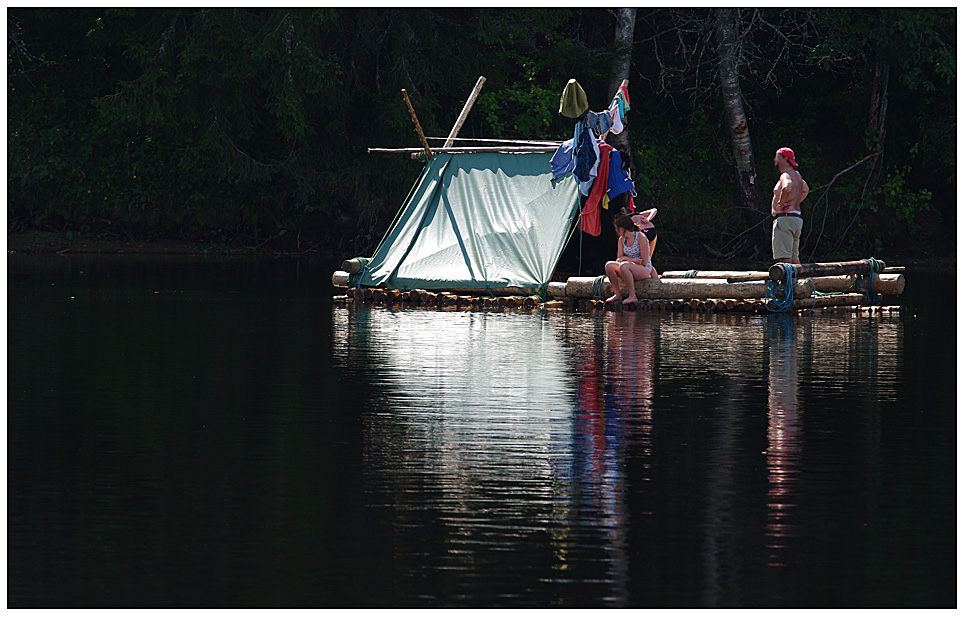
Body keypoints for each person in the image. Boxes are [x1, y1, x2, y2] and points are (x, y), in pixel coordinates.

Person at [604, 214, 657, 304]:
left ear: (623, 228)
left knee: (624, 266)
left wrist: (628, 261)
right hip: (627, 267)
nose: (616, 231)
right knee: (609, 265)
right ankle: (617, 294)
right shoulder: (621, 240)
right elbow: (619, 259)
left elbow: (644, 262)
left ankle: (633, 296)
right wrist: (632, 260)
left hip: (643, 269)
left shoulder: (641, 237)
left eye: (617, 228)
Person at [771, 147, 809, 265]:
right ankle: (797, 282)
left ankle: (789, 283)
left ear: (785, 158)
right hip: (795, 219)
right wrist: (794, 201)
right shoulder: (797, 175)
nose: (775, 160)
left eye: (778, 157)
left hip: (785, 220)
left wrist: (781, 203)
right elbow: (805, 190)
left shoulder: (786, 175)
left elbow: (787, 187)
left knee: (785, 258)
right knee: (794, 259)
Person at [630, 207, 660, 280]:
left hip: (643, 233)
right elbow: (654, 210)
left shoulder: (625, 219)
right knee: (648, 261)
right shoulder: (638, 214)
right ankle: (657, 280)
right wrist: (648, 219)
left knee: (644, 261)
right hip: (651, 231)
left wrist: (648, 219)